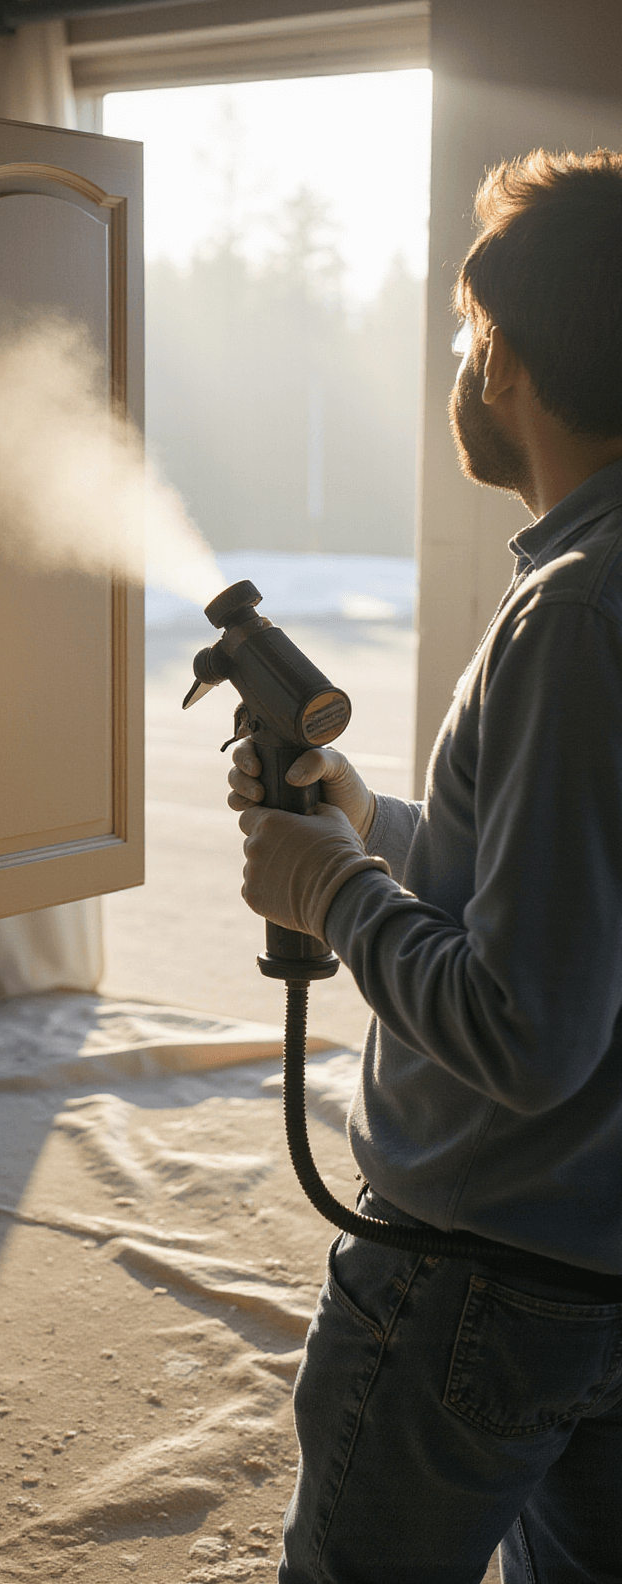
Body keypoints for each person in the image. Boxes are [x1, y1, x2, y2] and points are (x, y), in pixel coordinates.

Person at [227, 149, 622, 1584]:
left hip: (486, 1284)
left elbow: (530, 1033)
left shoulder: (574, 619)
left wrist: (325, 889)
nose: (464, 362)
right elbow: (578, 890)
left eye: (468, 334)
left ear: (504, 353)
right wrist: (372, 821)